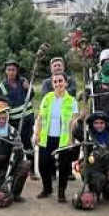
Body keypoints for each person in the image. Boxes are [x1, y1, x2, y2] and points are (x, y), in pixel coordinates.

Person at [34, 73, 80, 202]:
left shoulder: (71, 101)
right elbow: (40, 118)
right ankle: (47, 188)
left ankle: (61, 192)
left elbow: (73, 121)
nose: (58, 84)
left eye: (60, 81)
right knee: (43, 165)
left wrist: (71, 139)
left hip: (64, 139)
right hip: (46, 137)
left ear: (66, 83)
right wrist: (37, 134)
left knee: (64, 167)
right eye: (55, 82)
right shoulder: (47, 98)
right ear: (52, 84)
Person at [0, 97, 29, 204]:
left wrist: (19, 148)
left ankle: (14, 194)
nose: (2, 121)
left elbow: (21, 157)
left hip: (7, 168)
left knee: (25, 165)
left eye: (4, 118)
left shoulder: (14, 133)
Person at [72, 112, 109, 202]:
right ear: (92, 124)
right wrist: (80, 120)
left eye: (101, 123)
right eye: (96, 123)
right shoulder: (87, 135)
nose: (99, 125)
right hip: (90, 166)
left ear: (106, 124)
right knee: (99, 178)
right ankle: (94, 191)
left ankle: (106, 191)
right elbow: (76, 133)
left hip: (107, 166)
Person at [0, 59, 35, 156]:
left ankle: (30, 166)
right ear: (5, 71)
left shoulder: (23, 81)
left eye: (13, 70)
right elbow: (0, 107)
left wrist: (29, 88)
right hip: (13, 122)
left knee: (27, 144)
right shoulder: (1, 87)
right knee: (15, 146)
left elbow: (31, 95)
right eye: (8, 70)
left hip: (27, 120)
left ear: (17, 71)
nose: (11, 72)